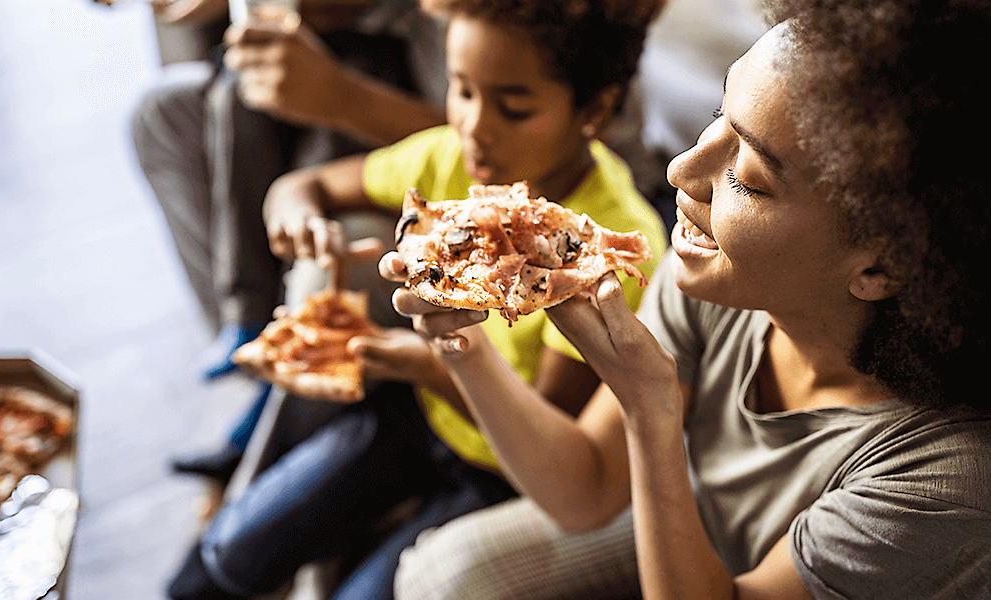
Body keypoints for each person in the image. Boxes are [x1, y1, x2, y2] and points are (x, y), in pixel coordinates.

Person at [384, 0, 991, 598]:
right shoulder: (717, 276)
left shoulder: (943, 483)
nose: (680, 169)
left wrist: (650, 410)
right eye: (715, 115)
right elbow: (587, 490)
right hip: (705, 522)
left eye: (749, 175)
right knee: (442, 572)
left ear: (884, 264)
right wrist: (457, 343)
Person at [164, 0, 668, 597]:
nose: (475, 126)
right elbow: (306, 185)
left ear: (598, 108)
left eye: (514, 107)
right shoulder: (447, 158)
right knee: (231, 550)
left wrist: (424, 358)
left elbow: (545, 423)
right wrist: (299, 218)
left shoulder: (602, 256)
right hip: (420, 418)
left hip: (505, 470)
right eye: (461, 90)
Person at [130, 0, 449, 482]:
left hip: (417, 168)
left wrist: (343, 99)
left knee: (336, 255)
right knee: (165, 110)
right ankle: (258, 343)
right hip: (342, 124)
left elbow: (485, 141)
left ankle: (265, 459)